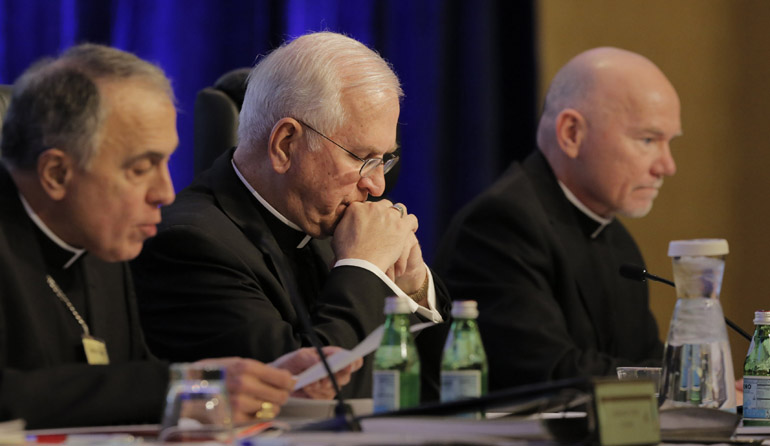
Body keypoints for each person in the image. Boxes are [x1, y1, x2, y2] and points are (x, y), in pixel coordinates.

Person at [0, 43, 358, 429]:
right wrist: (177, 388)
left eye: (166, 161)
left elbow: (131, 376)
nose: (165, 193)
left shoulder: (100, 243)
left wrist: (261, 384)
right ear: (56, 173)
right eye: (141, 168)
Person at [131, 31, 451, 399]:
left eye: (384, 159)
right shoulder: (188, 246)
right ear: (285, 145)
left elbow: (447, 394)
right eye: (362, 159)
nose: (377, 186)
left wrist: (411, 288)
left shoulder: (328, 223)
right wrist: (365, 272)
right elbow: (307, 395)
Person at [435, 47, 681, 391]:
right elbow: (548, 373)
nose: (666, 166)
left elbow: (644, 359)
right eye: (647, 140)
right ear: (571, 134)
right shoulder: (501, 226)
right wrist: (678, 384)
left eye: (669, 143)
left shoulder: (619, 242)